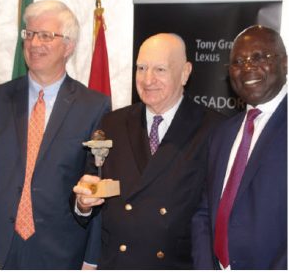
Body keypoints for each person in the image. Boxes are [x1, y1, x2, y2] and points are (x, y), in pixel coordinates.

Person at [73, 33, 225, 269]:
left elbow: (216, 214)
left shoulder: (214, 129)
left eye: (160, 70)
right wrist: (82, 203)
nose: (147, 79)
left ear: (185, 72)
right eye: (141, 68)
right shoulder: (112, 124)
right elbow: (89, 183)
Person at [0, 0, 110, 269]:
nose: (34, 44)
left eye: (46, 36)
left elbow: (95, 182)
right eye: (30, 34)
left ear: (68, 46)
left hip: (59, 251)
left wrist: (91, 259)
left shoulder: (93, 106)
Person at [191, 25, 287, 270]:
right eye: (237, 61)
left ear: (285, 63)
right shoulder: (222, 134)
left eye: (259, 57)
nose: (247, 67)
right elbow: (204, 212)